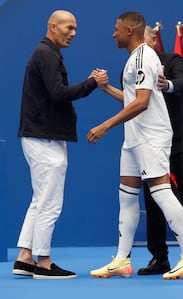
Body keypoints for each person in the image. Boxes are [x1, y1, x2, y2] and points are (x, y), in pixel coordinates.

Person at [87, 11, 183, 280]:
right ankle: (122, 259)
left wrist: (106, 125)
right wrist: (107, 88)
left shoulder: (145, 56)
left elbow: (142, 102)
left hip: (151, 136)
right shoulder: (133, 59)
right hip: (133, 138)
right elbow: (132, 98)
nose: (113, 34)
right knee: (127, 196)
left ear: (129, 31)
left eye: (116, 29)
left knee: (161, 193)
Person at [13, 10, 107, 279]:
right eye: (68, 28)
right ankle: (43, 261)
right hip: (45, 139)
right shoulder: (46, 55)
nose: (73, 33)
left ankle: (24, 256)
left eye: (75, 28)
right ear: (52, 27)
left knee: (40, 200)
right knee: (50, 203)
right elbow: (58, 94)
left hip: (41, 137)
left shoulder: (46, 54)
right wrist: (92, 83)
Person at [137, 26, 183, 276]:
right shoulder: (134, 65)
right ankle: (159, 257)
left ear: (154, 39)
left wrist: (166, 83)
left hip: (176, 144)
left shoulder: (172, 60)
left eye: (143, 39)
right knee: (152, 201)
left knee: (182, 197)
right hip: (148, 144)